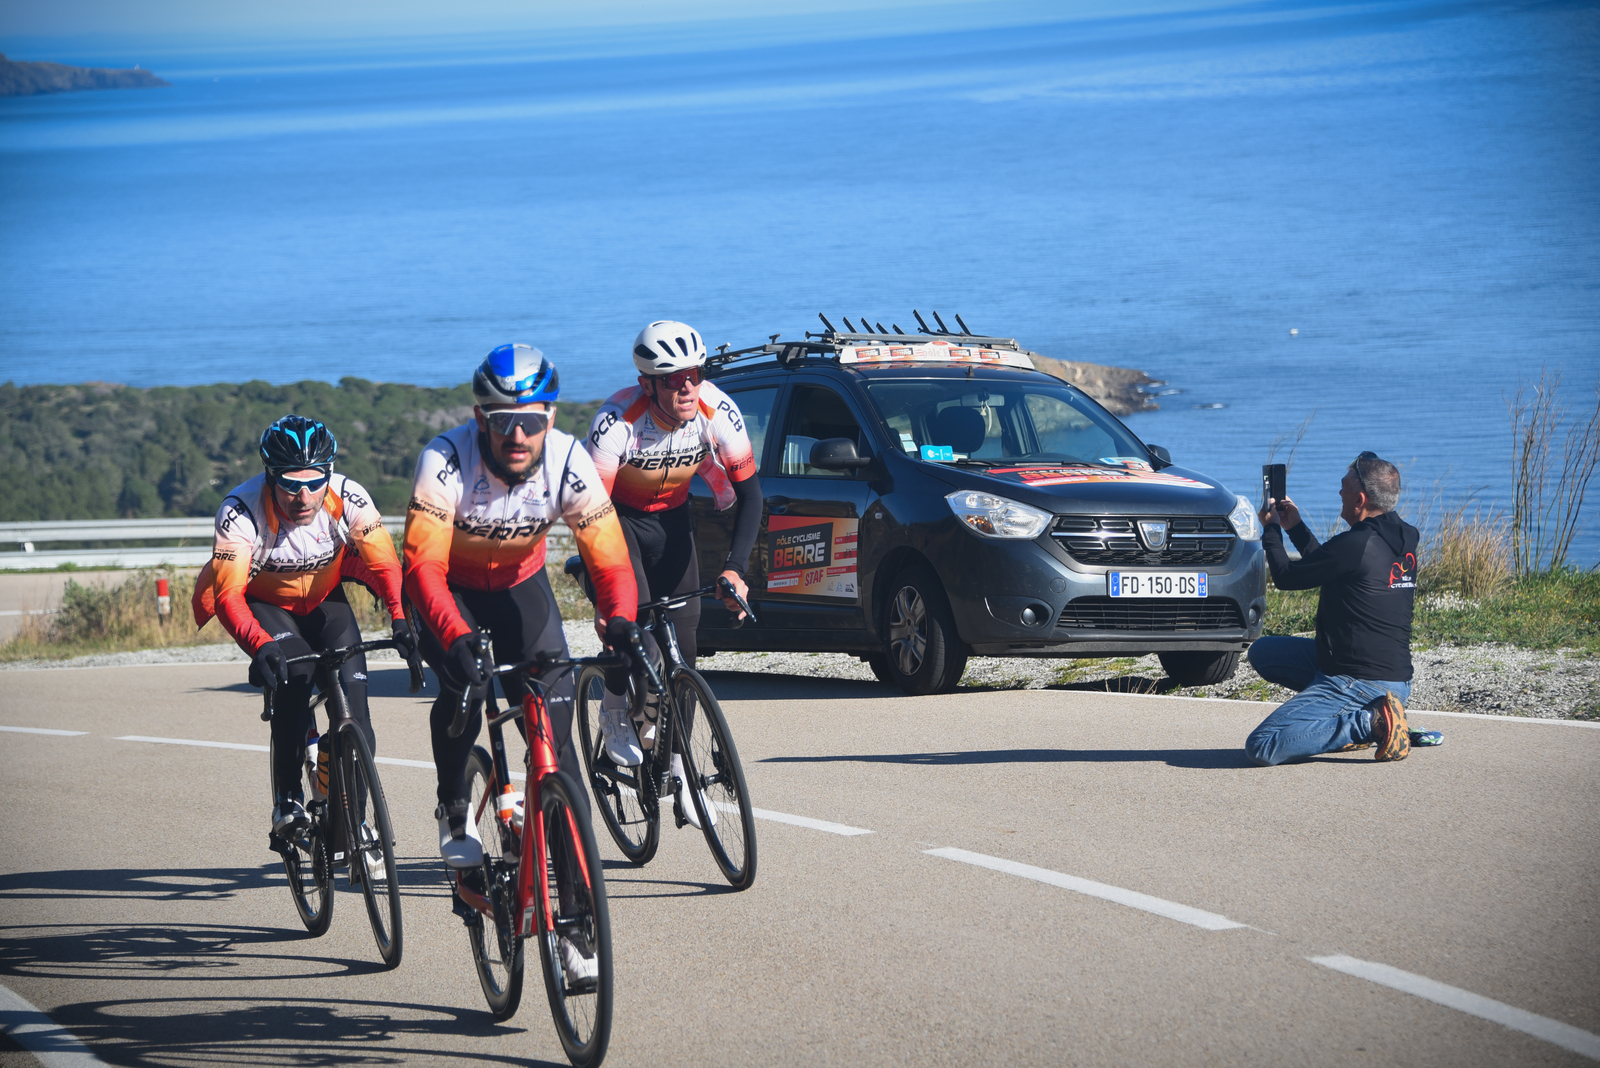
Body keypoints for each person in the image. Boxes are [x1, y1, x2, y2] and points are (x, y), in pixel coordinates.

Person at [402, 343, 637, 895]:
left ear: (549, 418)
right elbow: (423, 567)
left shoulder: (568, 461)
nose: (517, 436)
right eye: (503, 421)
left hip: (519, 589)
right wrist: (456, 637)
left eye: (530, 422)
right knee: (463, 688)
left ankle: (576, 912)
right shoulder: (445, 460)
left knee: (557, 745)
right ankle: (454, 804)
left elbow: (610, 561)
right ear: (480, 417)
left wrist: (621, 623)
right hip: (449, 591)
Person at [193, 415, 416, 868]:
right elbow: (229, 595)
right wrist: (260, 645)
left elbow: (386, 565)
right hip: (266, 605)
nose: (304, 496)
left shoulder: (349, 497)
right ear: (270, 476)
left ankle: (357, 819)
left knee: (356, 712)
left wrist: (400, 619)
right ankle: (288, 798)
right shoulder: (240, 511)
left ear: (328, 474)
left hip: (325, 600)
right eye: (291, 485)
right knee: (295, 679)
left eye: (315, 483)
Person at [583, 320, 762, 828]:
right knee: (635, 630)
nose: (687, 387)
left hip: (673, 524)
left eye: (694, 375)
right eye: (673, 379)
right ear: (647, 384)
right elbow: (589, 515)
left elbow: (752, 496)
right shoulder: (616, 422)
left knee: (685, 651)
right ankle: (613, 706)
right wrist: (607, 596)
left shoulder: (716, 411)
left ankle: (683, 774)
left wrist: (736, 569)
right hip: (617, 523)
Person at [1244, 451, 1424, 766]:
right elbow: (1331, 564)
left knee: (1262, 745)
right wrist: (1294, 528)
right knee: (1264, 653)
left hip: (1361, 679)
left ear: (1360, 499)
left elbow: (1285, 577)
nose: (1339, 492)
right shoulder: (1402, 537)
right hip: (1387, 675)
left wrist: (1271, 529)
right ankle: (1362, 717)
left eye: (1344, 486)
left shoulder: (1357, 544)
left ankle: (1369, 723)